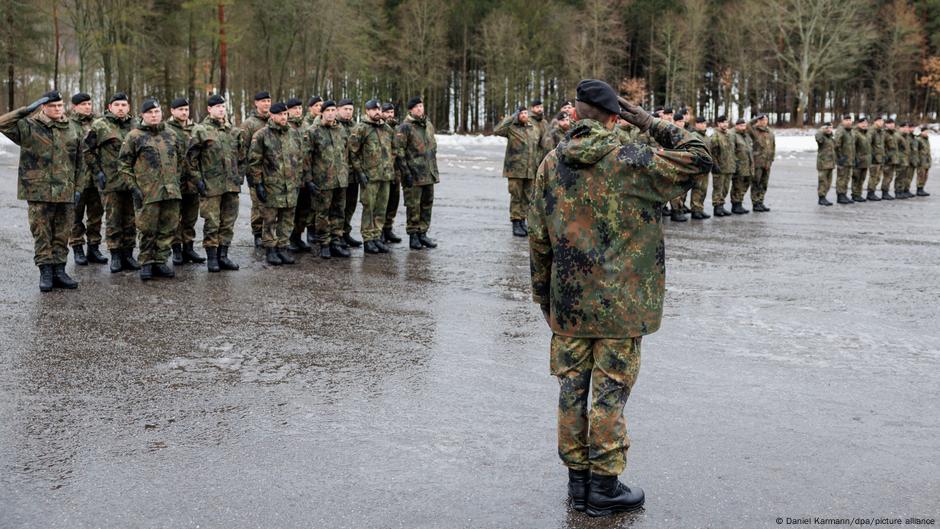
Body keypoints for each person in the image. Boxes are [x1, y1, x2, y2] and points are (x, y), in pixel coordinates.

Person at [529, 79, 712, 517]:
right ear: (615, 117)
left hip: (569, 305)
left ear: (574, 115)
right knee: (609, 394)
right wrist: (647, 120)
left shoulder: (551, 164)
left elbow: (538, 240)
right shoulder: (634, 159)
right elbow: (702, 155)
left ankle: (577, 484)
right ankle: (604, 488)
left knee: (571, 391)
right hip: (622, 305)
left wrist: (545, 300)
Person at [0, 91, 83, 291]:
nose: (57, 109)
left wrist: (78, 188)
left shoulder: (72, 128)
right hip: (39, 191)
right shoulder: (29, 126)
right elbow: (2, 124)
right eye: (52, 106)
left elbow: (80, 162)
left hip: (65, 190)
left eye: (60, 105)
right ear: (43, 107)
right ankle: (45, 271)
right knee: (42, 232)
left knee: (63, 233)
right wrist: (25, 110)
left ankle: (59, 270)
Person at [118, 99, 186, 281]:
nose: (154, 115)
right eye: (149, 113)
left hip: (170, 191)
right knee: (147, 229)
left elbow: (180, 160)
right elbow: (124, 165)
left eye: (156, 112)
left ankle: (160, 261)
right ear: (143, 115)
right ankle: (146, 262)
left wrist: (175, 182)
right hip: (147, 192)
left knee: (168, 228)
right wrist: (133, 188)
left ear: (162, 113)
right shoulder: (134, 136)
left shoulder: (171, 134)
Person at [187, 94, 241, 272]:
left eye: (223, 107)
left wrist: (240, 174)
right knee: (212, 222)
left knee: (228, 222)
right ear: (209, 109)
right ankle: (212, 257)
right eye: (217, 107)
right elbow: (191, 159)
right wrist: (198, 180)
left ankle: (223, 256)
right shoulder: (201, 130)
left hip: (231, 185)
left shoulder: (232, 131)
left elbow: (241, 156)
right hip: (211, 186)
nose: (221, 109)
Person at [86, 91, 140, 271]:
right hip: (111, 181)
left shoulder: (136, 125)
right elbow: (87, 150)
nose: (121, 108)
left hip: (133, 181)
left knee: (131, 219)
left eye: (124, 105)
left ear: (129, 107)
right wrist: (97, 172)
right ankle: (115, 255)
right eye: (117, 105)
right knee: (113, 219)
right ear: (110, 107)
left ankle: (128, 255)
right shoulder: (100, 125)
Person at [249, 102, 303, 265]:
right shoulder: (261, 135)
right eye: (280, 114)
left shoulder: (293, 134)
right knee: (270, 220)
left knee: (287, 219)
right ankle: (271, 250)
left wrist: (298, 180)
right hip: (272, 185)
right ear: (272, 115)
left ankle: (283, 248)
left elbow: (299, 158)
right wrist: (258, 184)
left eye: (285, 114)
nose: (283, 117)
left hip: (290, 186)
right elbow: (254, 161)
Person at [305, 100, 351, 259]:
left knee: (339, 212)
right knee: (322, 214)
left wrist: (345, 173)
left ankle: (336, 242)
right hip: (322, 181)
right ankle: (324, 243)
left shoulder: (341, 130)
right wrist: (309, 180)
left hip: (340, 180)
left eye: (333, 110)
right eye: (328, 110)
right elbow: (307, 158)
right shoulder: (313, 131)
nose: (331, 113)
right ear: (321, 113)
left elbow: (345, 153)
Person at [348, 99, 395, 254]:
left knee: (381, 208)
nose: (376, 111)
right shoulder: (361, 128)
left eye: (378, 108)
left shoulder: (387, 129)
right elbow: (353, 153)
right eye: (372, 109)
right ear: (366, 111)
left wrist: (390, 167)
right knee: (369, 208)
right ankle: (368, 239)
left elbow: (393, 150)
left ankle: (376, 237)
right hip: (370, 176)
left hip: (385, 176)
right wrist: (360, 172)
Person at [67, 91, 108, 266]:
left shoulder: (99, 124)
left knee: (96, 215)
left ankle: (94, 248)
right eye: (83, 104)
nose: (87, 107)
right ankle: (77, 248)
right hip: (77, 179)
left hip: (96, 178)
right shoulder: (68, 124)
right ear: (75, 106)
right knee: (76, 216)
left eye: (89, 104)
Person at [165, 97, 206, 264]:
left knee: (190, 217)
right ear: (172, 111)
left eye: (186, 109)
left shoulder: (196, 130)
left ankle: (188, 248)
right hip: (174, 181)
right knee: (174, 217)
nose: (184, 112)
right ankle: (176, 250)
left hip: (193, 181)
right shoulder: (166, 130)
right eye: (180, 109)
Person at [396, 97, 439, 250]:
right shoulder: (405, 127)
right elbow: (399, 151)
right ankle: (413, 235)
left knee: (427, 204)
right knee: (413, 206)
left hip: (428, 173)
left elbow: (432, 148)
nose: (420, 109)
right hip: (413, 175)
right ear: (410, 110)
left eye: (421, 106)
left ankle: (423, 233)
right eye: (417, 107)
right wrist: (405, 172)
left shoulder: (428, 125)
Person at [494, 105, 541, 236]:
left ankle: (522, 221)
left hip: (530, 169)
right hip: (515, 169)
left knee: (527, 197)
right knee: (516, 196)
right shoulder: (511, 128)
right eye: (522, 113)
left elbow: (538, 146)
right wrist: (510, 118)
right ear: (518, 115)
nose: (525, 115)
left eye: (526, 113)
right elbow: (497, 130)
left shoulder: (533, 128)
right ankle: (515, 222)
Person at [240, 90, 272, 247]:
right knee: (258, 206)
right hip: (256, 172)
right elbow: (243, 150)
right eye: (263, 101)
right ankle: (258, 233)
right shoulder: (249, 124)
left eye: (268, 101)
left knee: (272, 206)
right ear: (256, 103)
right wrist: (250, 174)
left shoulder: (274, 120)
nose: (266, 103)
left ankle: (270, 234)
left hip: (273, 174)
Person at [337, 98, 362, 249]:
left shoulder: (356, 127)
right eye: (345, 109)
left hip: (353, 174)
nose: (348, 112)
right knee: (339, 207)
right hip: (339, 175)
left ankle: (346, 233)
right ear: (338, 109)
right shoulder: (335, 126)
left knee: (350, 206)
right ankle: (337, 235)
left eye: (350, 109)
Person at [381, 102, 404, 244]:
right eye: (387, 112)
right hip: (382, 172)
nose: (390, 115)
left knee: (393, 202)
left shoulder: (397, 129)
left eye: (391, 112)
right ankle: (379, 231)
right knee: (382, 203)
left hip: (396, 172)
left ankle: (388, 228)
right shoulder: (380, 128)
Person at [746, 113, 775, 211]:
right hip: (757, 162)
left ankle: (761, 202)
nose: (764, 122)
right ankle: (755, 203)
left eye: (766, 120)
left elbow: (773, 147)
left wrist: (771, 159)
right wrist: (756, 119)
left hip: (767, 163)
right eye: (762, 120)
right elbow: (748, 125)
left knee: (764, 184)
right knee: (756, 183)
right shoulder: (754, 131)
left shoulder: (770, 132)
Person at [708, 116, 735, 217]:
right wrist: (714, 165)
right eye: (722, 122)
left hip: (728, 167)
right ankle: (717, 207)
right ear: (718, 124)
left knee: (725, 188)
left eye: (726, 122)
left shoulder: (729, 135)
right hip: (719, 167)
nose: (725, 124)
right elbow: (712, 153)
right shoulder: (715, 136)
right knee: (718, 188)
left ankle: (721, 205)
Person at [688, 116, 711, 219]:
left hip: (706, 166)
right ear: (696, 124)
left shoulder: (706, 136)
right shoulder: (693, 135)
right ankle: (695, 210)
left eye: (704, 123)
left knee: (703, 189)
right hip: (698, 167)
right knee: (697, 188)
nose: (703, 125)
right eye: (700, 123)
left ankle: (700, 208)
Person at [730, 118, 754, 214]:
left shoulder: (745, 136)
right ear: (736, 125)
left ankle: (739, 202)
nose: (742, 127)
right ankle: (735, 205)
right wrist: (735, 163)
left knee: (745, 184)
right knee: (737, 185)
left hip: (747, 165)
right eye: (740, 125)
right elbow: (731, 151)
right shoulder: (733, 135)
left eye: (744, 125)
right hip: (739, 165)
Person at [834, 114, 856, 204]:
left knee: (847, 178)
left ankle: (844, 194)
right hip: (843, 159)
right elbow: (836, 145)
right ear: (843, 121)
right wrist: (840, 157)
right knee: (841, 178)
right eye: (846, 120)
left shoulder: (851, 131)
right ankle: (840, 195)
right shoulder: (841, 131)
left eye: (849, 120)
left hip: (849, 159)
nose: (848, 122)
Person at [851, 116, 872, 202]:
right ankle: (855, 194)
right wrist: (854, 158)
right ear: (858, 124)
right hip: (858, 160)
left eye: (866, 123)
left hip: (865, 160)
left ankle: (859, 194)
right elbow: (852, 147)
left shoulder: (867, 134)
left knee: (862, 178)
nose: (864, 125)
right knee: (856, 178)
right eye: (862, 123)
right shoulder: (855, 133)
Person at [815, 122, 835, 206]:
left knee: (828, 182)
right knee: (822, 181)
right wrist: (821, 129)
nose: (829, 129)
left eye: (830, 128)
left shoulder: (831, 138)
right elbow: (818, 137)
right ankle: (821, 198)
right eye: (827, 128)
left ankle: (824, 196)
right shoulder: (821, 137)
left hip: (830, 163)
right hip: (823, 163)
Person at [866, 116, 886, 201]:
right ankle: (870, 193)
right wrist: (872, 155)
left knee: (877, 177)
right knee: (873, 176)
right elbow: (868, 144)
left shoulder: (880, 132)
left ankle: (872, 191)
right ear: (875, 122)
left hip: (880, 157)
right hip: (874, 157)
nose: (882, 123)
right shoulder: (872, 131)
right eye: (880, 121)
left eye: (882, 121)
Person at [881, 119, 899, 200]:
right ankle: (884, 192)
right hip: (887, 159)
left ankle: (886, 191)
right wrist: (885, 156)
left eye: (892, 123)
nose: (891, 125)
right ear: (886, 125)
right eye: (889, 124)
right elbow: (881, 146)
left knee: (890, 176)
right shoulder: (884, 134)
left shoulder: (894, 134)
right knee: (887, 176)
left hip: (893, 159)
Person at [915, 127, 931, 197]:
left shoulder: (926, 139)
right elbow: (916, 151)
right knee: (921, 175)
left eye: (927, 132)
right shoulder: (918, 139)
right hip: (921, 161)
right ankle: (919, 189)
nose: (926, 133)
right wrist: (917, 160)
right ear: (921, 132)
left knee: (925, 175)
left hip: (926, 160)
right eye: (925, 131)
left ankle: (922, 188)